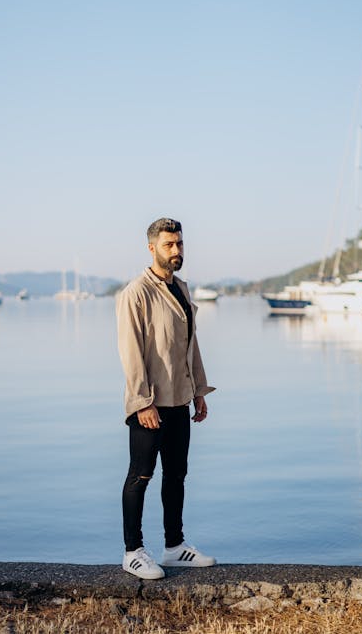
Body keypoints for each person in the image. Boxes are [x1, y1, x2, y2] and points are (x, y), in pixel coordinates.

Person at [116, 217, 216, 579]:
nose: (176, 250)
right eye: (168, 245)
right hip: (150, 404)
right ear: (152, 248)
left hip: (179, 399)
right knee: (140, 475)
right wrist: (142, 401)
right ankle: (133, 551)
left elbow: (190, 345)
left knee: (176, 475)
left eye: (179, 244)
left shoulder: (182, 289)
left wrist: (198, 391)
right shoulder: (136, 293)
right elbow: (131, 352)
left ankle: (174, 547)